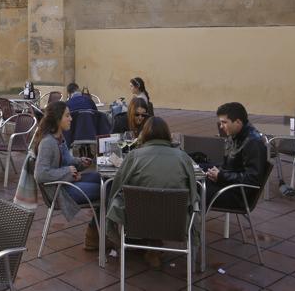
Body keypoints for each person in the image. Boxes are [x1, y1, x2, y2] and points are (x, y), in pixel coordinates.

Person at [107, 116, 198, 269]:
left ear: (144, 134)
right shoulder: (183, 158)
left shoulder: (133, 156)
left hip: (138, 221)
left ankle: (138, 246)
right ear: (167, 134)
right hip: (176, 221)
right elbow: (194, 193)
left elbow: (116, 188)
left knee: (116, 197)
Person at [33, 101, 101, 250]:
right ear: (57, 119)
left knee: (102, 178)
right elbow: (40, 174)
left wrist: (80, 162)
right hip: (60, 192)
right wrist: (68, 172)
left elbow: (67, 162)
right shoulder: (48, 143)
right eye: (67, 115)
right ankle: (95, 234)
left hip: (66, 183)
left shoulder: (59, 138)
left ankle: (99, 231)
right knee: (106, 189)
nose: (71, 118)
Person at [205, 102, 268, 209]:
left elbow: (252, 179)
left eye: (224, 122)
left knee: (193, 192)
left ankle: (188, 224)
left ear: (238, 122)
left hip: (238, 195)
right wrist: (214, 172)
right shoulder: (235, 135)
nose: (221, 126)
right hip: (228, 185)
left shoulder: (253, 142)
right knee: (194, 181)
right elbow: (231, 165)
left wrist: (221, 176)